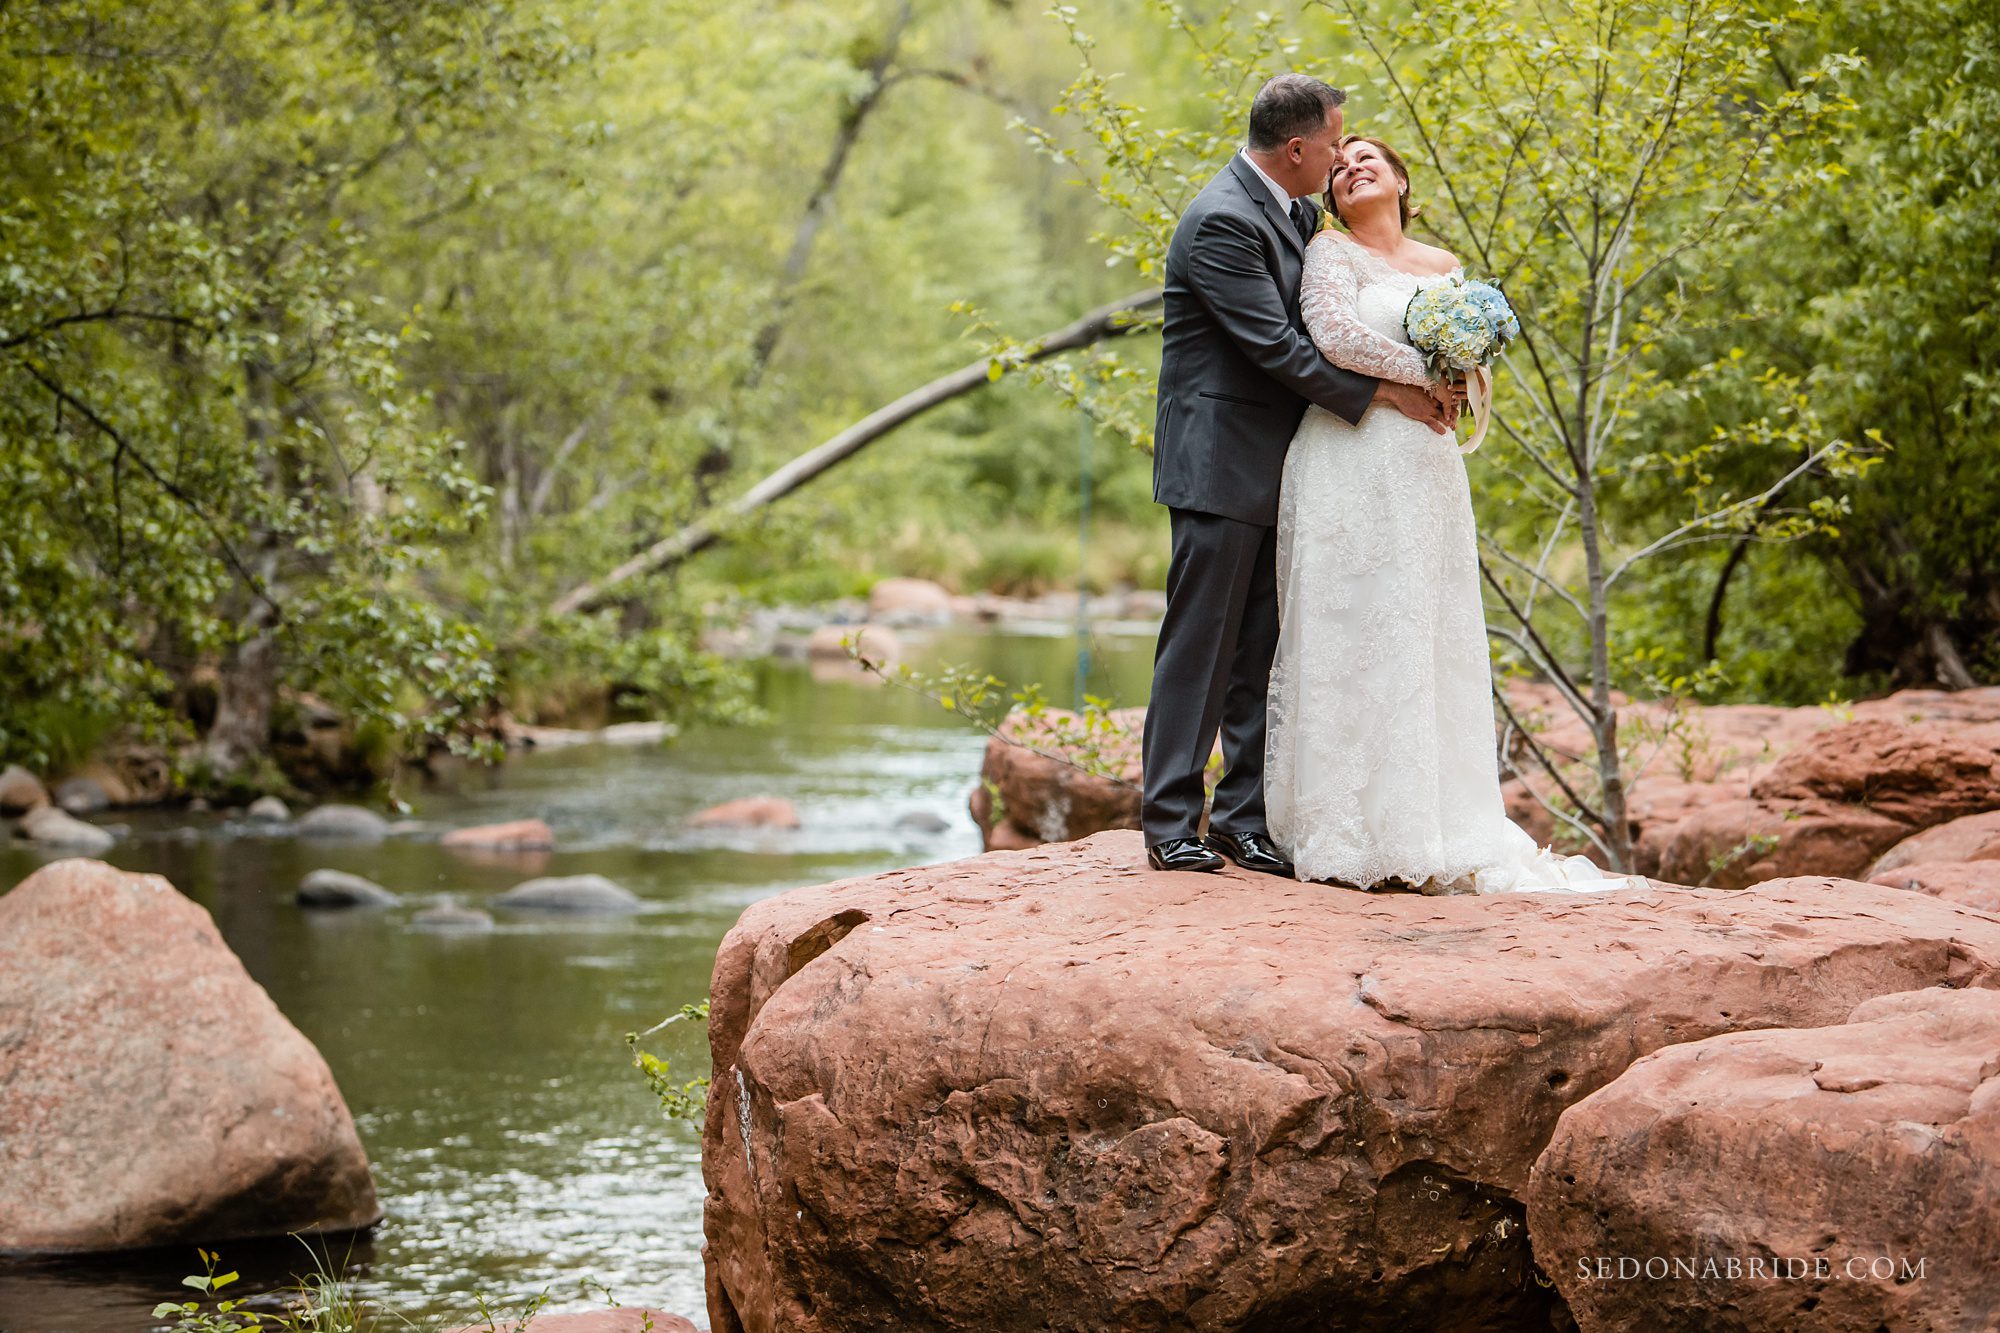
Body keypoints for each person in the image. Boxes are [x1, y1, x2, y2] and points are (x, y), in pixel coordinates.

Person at [1263, 134, 1637, 893]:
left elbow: (1475, 360)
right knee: (1352, 621)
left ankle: (1430, 821)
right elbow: (1331, 336)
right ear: (1330, 195)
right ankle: (1347, 828)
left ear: (1401, 178)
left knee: (1425, 624)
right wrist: (1422, 375)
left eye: (1368, 157)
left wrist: (1459, 383)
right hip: (1351, 455)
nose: (1351, 167)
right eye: (1337, 167)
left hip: (1427, 468)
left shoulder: (1445, 268)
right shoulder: (1331, 256)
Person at [1140, 76, 1454, 876]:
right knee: (1200, 643)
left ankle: (1241, 820)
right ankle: (1170, 820)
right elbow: (1276, 345)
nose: (1340, 153)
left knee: (1258, 650)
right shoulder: (1221, 221)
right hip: (1218, 461)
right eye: (1334, 141)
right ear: (1297, 150)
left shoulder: (1296, 214)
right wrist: (1387, 391)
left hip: (1286, 465)